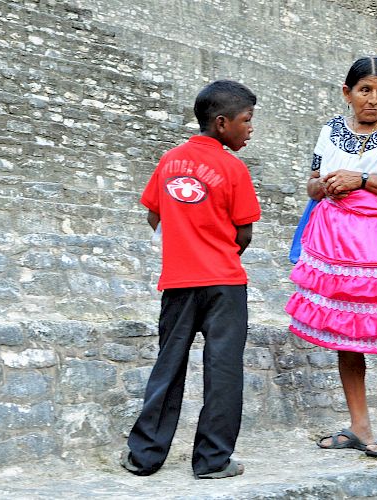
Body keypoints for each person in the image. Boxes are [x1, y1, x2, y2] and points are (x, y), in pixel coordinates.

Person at [120, 80, 261, 479]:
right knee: (224, 371)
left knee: (169, 366)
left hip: (179, 282)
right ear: (221, 123)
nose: (250, 128)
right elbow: (244, 232)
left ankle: (144, 456)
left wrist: (184, 242)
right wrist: (217, 249)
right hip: (225, 284)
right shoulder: (233, 167)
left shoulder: (169, 161)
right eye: (246, 121)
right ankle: (213, 461)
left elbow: (153, 214)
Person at [286, 56, 377, 460]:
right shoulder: (331, 131)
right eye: (364, 90)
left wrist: (362, 179)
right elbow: (310, 184)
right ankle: (359, 425)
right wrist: (322, 185)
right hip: (340, 245)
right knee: (345, 330)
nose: (373, 99)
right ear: (347, 92)